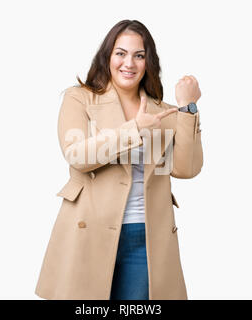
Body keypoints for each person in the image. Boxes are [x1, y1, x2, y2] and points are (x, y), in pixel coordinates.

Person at [35, 19, 203, 300]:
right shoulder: (80, 99)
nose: (130, 63)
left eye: (139, 55)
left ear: (149, 61)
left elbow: (186, 169)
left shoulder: (164, 111)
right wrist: (134, 128)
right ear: (107, 56)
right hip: (88, 232)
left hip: (147, 237)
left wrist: (188, 109)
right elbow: (78, 155)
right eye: (121, 53)